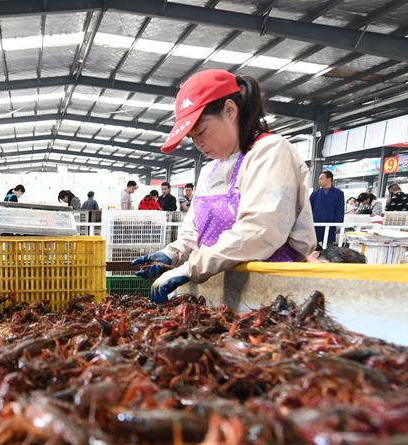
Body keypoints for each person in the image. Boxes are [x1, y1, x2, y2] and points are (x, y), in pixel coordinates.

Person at [131, 69, 316, 303]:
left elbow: (258, 231)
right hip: (214, 292)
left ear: (230, 111)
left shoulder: (270, 152)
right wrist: (172, 254)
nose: (198, 143)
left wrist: (191, 269)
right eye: (192, 137)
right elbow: (194, 233)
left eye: (201, 131)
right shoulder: (210, 171)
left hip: (266, 295)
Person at [309, 170, 344, 245]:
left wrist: (338, 224)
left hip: (330, 225)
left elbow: (340, 209)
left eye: (321, 179)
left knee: (328, 248)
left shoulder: (338, 193)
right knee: (313, 248)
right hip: (316, 224)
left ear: (329, 179)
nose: (319, 181)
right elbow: (309, 209)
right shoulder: (315, 194)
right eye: (319, 179)